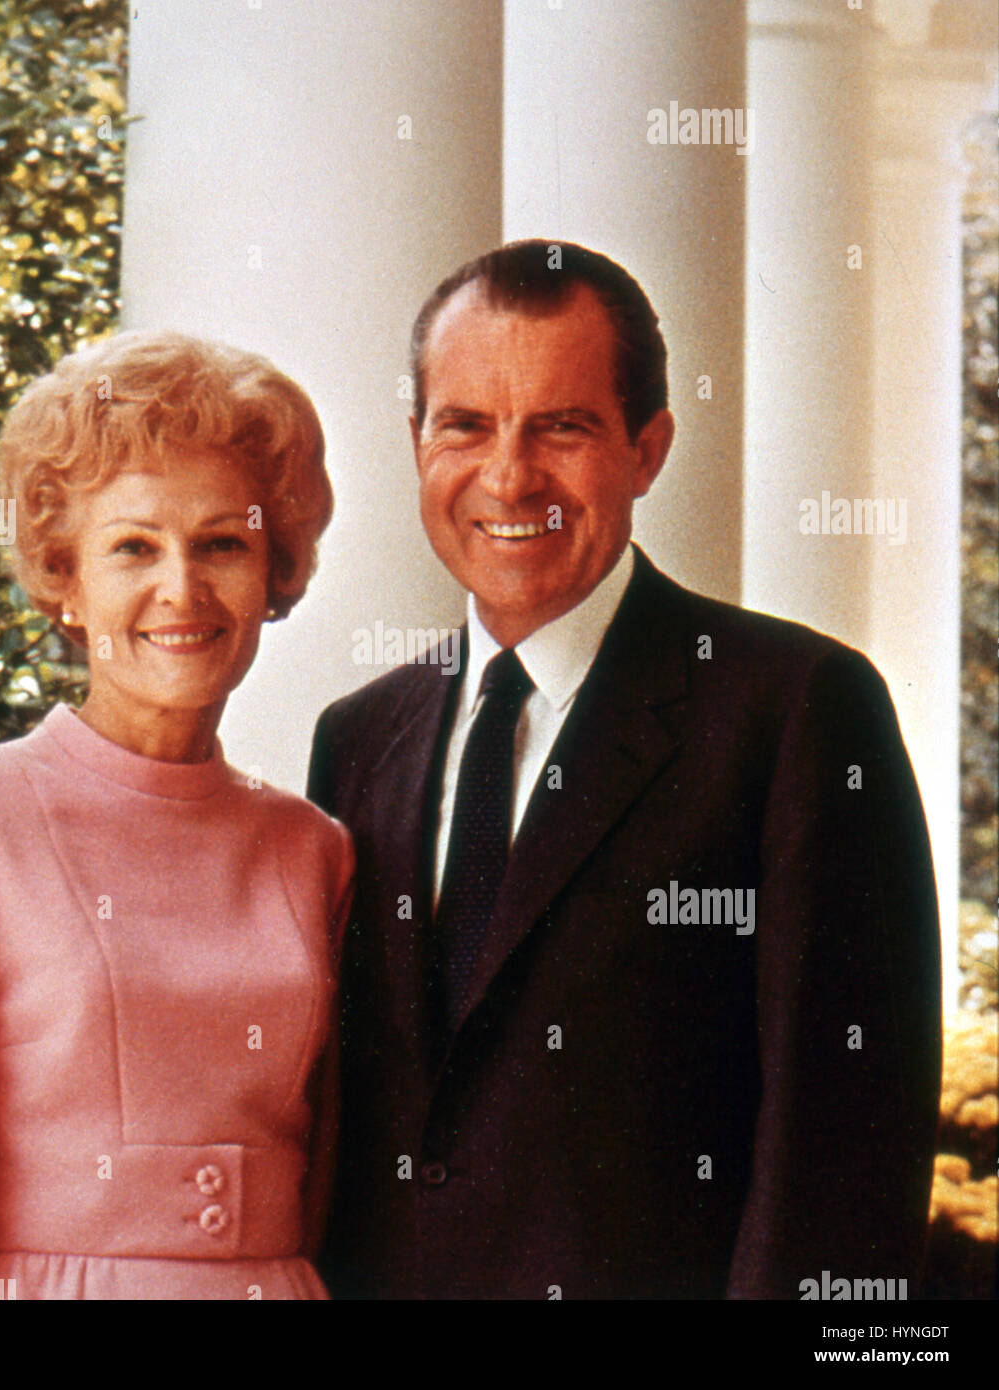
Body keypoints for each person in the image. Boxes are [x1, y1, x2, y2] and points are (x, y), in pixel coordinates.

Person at [307, 240, 942, 1300]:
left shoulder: (793, 711)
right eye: (466, 425)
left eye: (564, 426)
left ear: (647, 450)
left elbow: (844, 1149)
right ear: (417, 443)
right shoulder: (358, 738)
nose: (509, 476)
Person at [0, 330, 353, 1300]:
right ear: (66, 581)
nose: (183, 588)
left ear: (272, 571)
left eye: (222, 544)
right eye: (133, 547)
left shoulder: (313, 848)